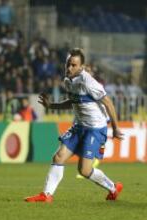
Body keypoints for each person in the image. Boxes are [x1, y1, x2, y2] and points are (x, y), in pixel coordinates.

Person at [25, 48, 124, 203]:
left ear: (81, 67)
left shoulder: (89, 82)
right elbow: (73, 102)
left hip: (95, 129)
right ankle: (46, 195)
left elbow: (108, 103)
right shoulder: (68, 81)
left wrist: (116, 128)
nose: (69, 68)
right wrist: (52, 106)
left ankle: (113, 187)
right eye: (68, 65)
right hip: (79, 126)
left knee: (84, 170)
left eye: (73, 65)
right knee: (58, 157)